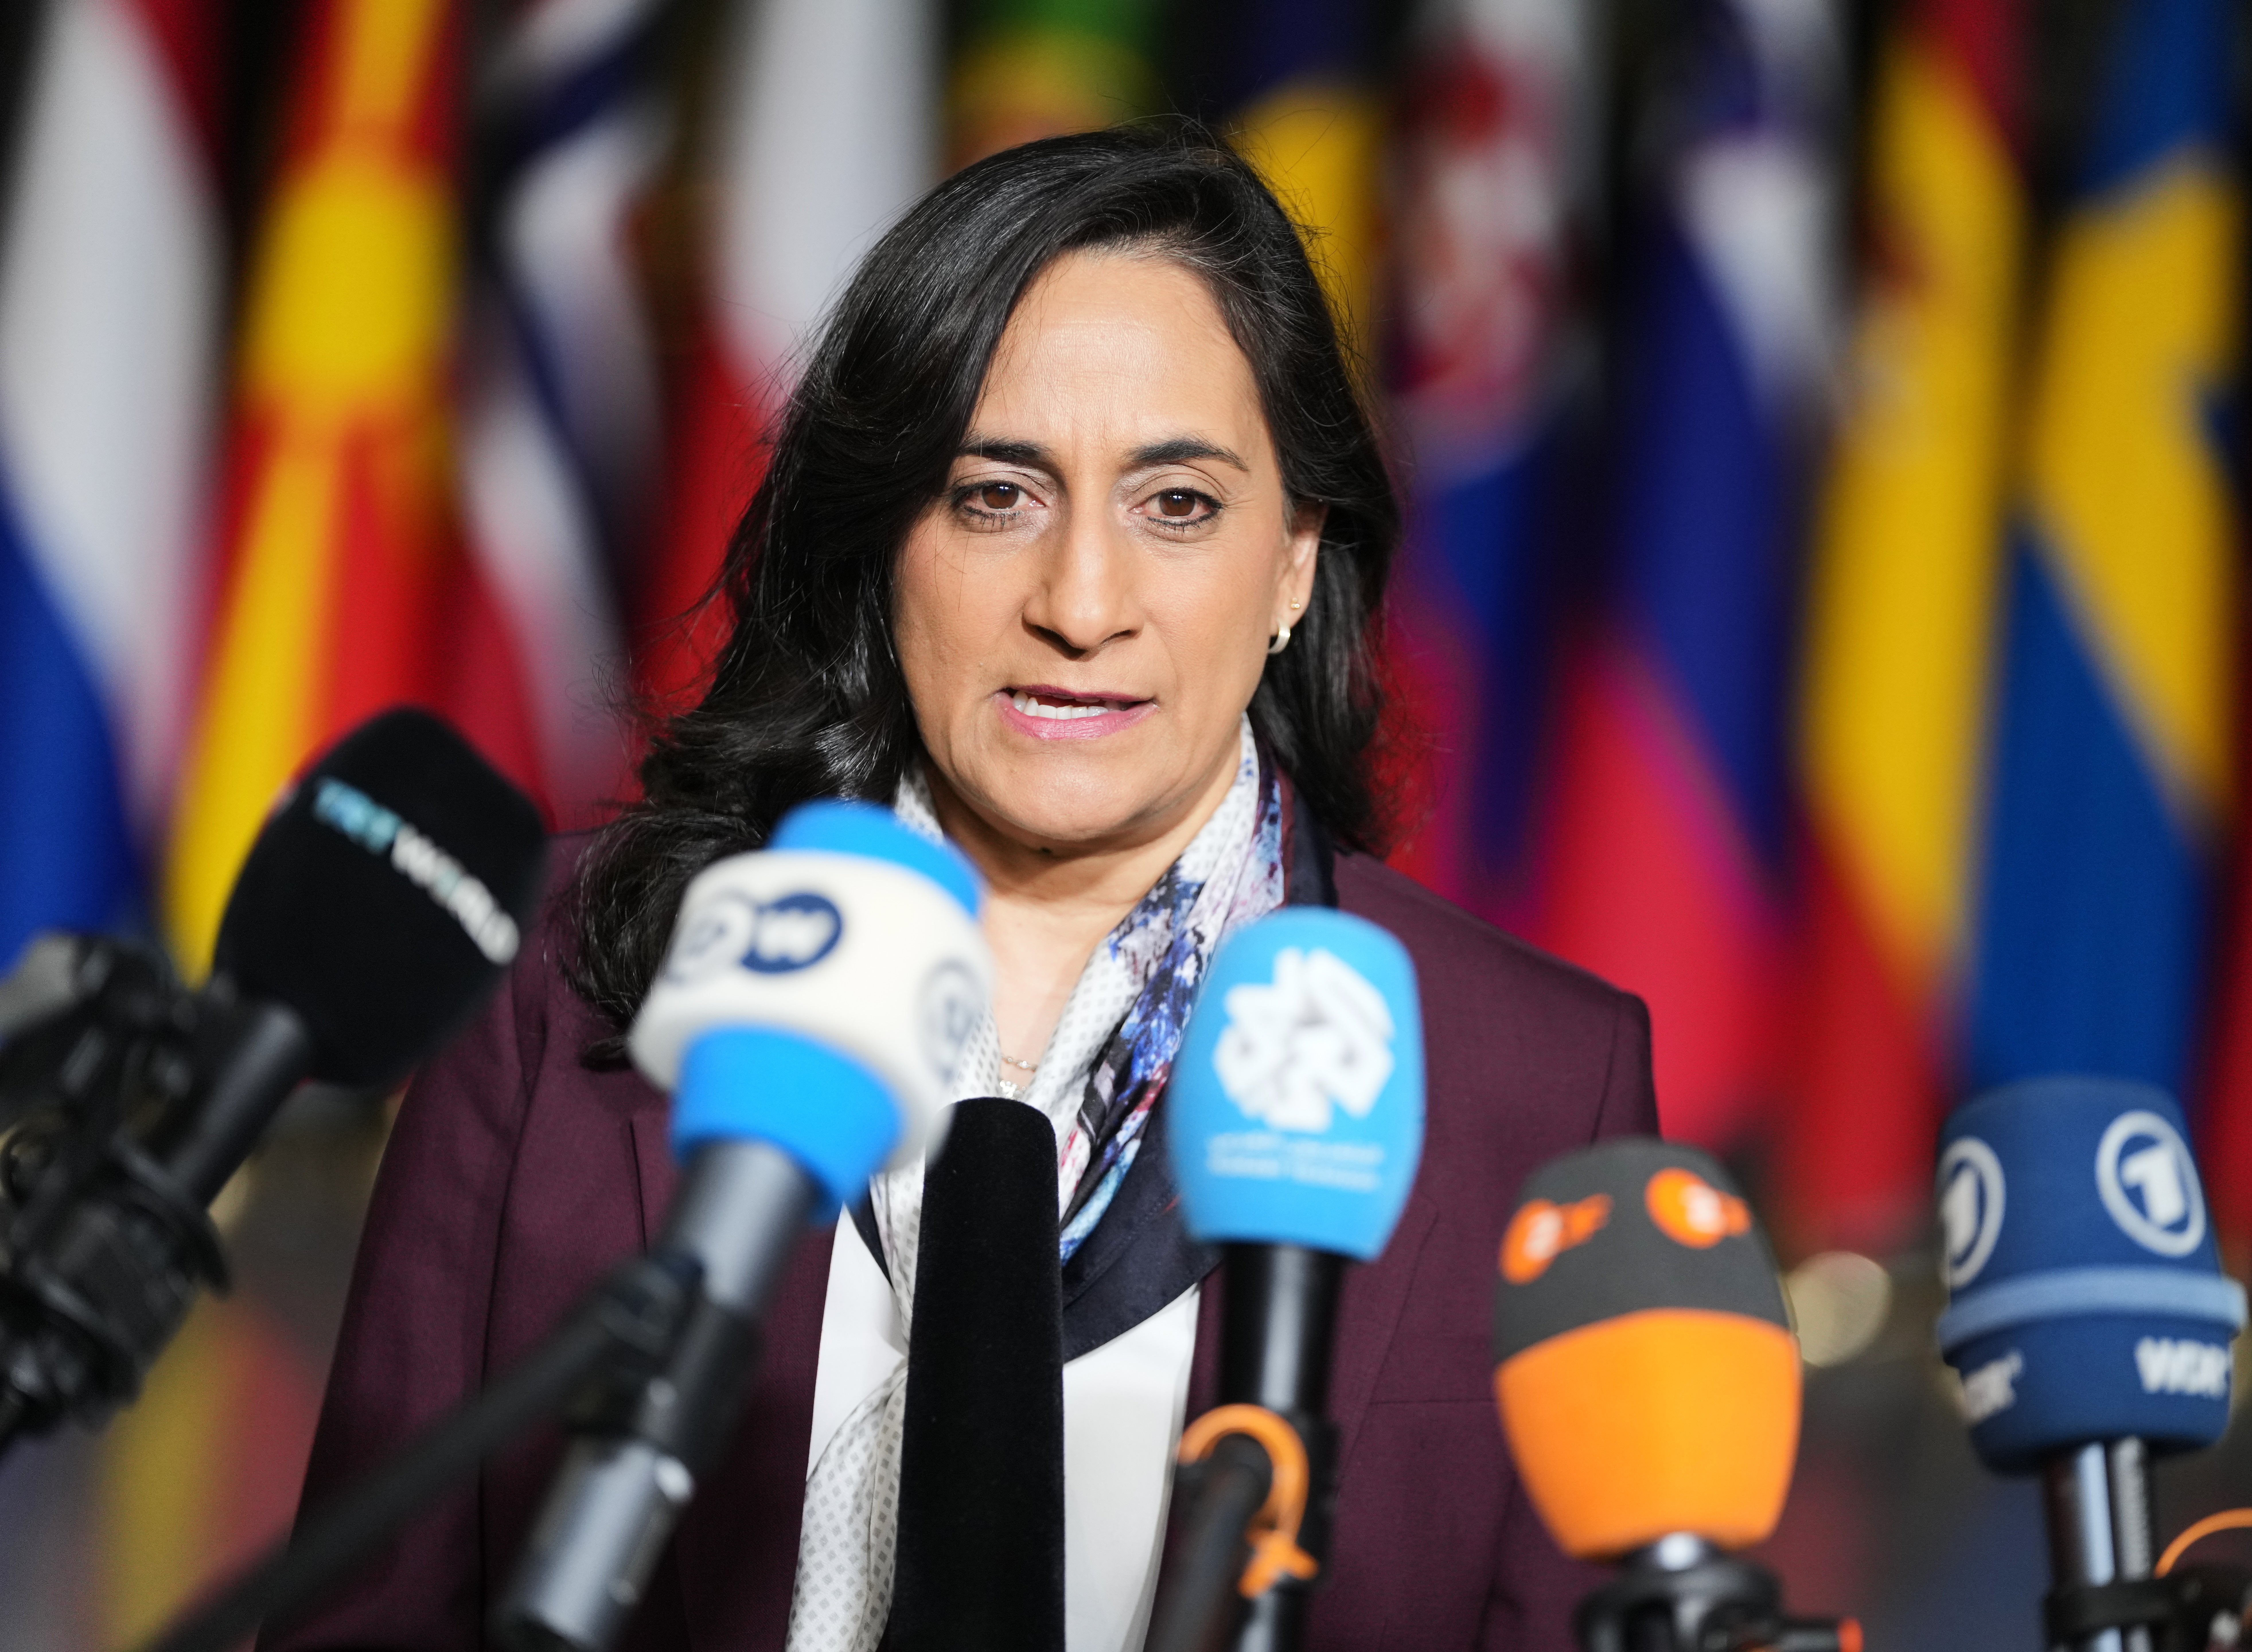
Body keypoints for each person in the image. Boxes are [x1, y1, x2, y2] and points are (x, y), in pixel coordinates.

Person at [273, 125, 1657, 1652]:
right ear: (886, 539)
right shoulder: (573, 970)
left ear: (1295, 566)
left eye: (1178, 505)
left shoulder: (1537, 1080)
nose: (1079, 604)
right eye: (996, 494)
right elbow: (370, 1614)